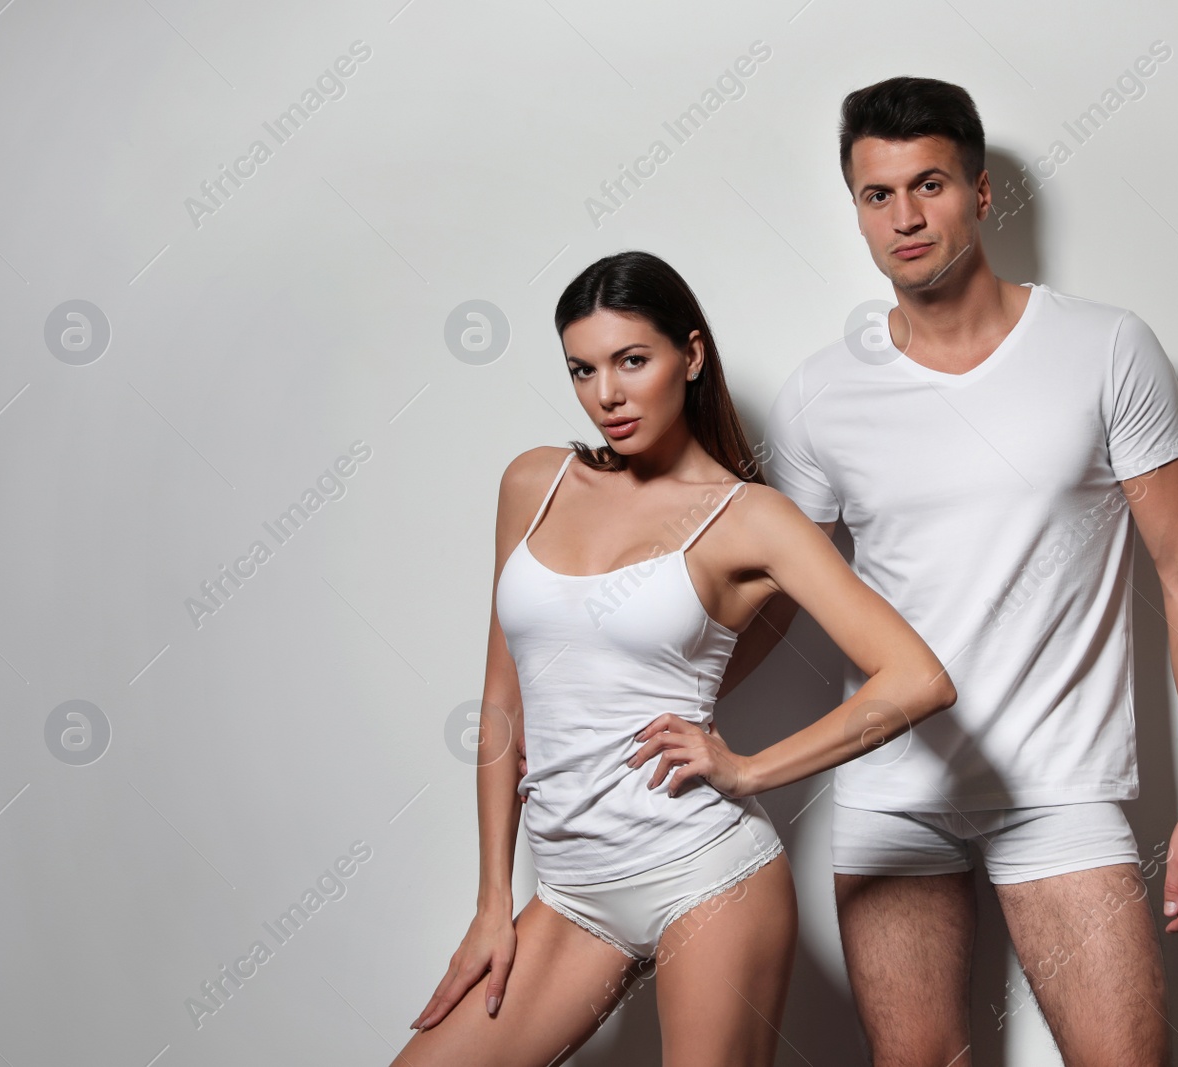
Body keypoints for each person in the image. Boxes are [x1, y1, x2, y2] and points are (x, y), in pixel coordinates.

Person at [746, 77, 1178, 1065]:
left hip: (1059, 785)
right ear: (854, 210)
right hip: (893, 790)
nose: (904, 217)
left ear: (980, 194)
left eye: (927, 185)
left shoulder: (1105, 348)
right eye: (876, 195)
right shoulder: (819, 395)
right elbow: (769, 606)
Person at [393, 250, 958, 1067]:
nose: (607, 396)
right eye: (583, 370)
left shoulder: (748, 518)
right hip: (571, 889)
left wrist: (753, 769)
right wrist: (492, 901)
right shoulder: (534, 483)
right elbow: (500, 702)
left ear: (690, 355)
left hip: (708, 876)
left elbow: (918, 677)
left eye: (633, 360)